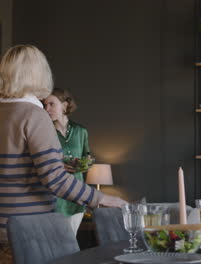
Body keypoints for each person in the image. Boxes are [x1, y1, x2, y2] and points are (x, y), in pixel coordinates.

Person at [0, 44, 127, 263]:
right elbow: (54, 178)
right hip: (28, 230)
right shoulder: (33, 115)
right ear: (39, 73)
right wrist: (101, 198)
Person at [42, 88, 92, 235]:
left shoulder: (81, 131)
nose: (47, 109)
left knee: (73, 238)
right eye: (45, 105)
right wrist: (59, 166)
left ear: (64, 106)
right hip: (55, 196)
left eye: (51, 104)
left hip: (77, 194)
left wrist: (86, 163)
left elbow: (87, 156)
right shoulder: (44, 131)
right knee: (58, 241)